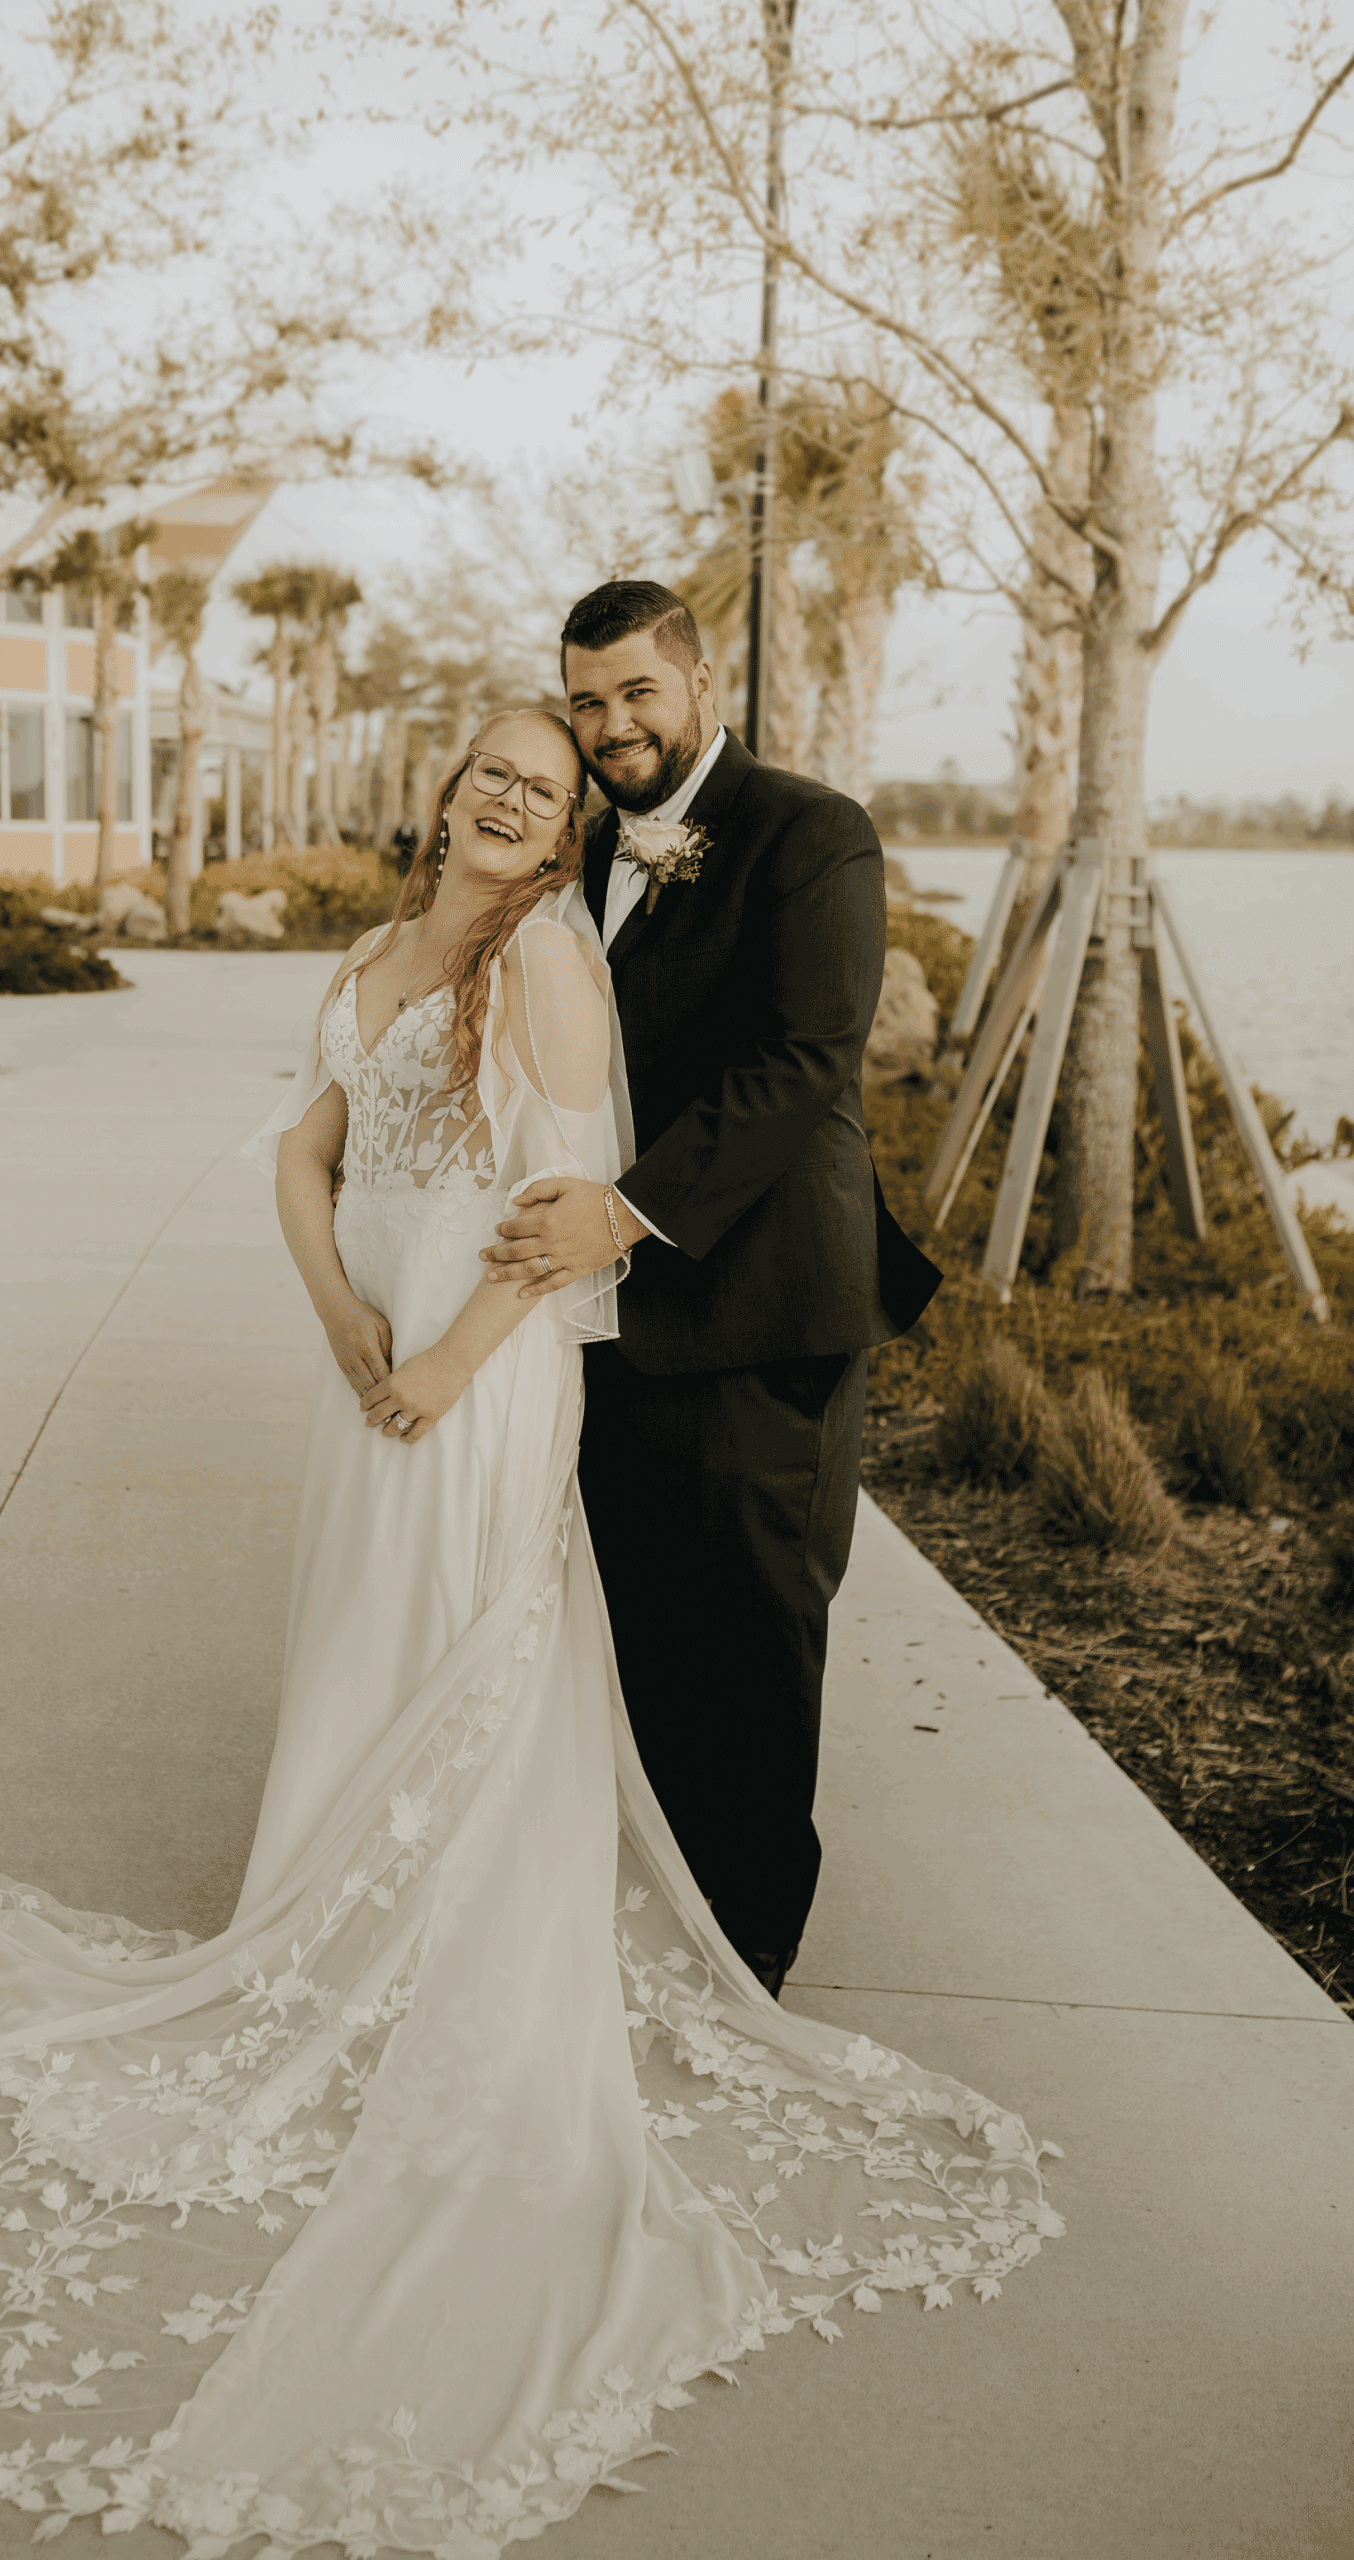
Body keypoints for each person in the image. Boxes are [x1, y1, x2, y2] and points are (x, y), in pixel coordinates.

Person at [0, 711, 1054, 2555]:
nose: (512, 794)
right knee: (362, 1648)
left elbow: (565, 1215)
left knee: (467, 1649)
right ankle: (321, 1931)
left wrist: (452, 1362)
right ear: (446, 791)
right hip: (369, 1363)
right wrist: (341, 1325)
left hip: (480, 1376)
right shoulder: (379, 953)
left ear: (563, 835)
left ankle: (437, 1961)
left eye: (545, 786)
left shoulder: (546, 962)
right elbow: (300, 1161)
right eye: (491, 767)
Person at [480, 583, 941, 1994]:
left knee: (749, 1644)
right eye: (585, 700)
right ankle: (649, 1929)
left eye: (636, 691)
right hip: (607, 1323)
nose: (610, 724)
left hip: (756, 1313)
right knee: (637, 1635)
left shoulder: (810, 834)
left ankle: (747, 1964)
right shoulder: (578, 849)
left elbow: (803, 1061)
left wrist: (619, 1214)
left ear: (696, 681)